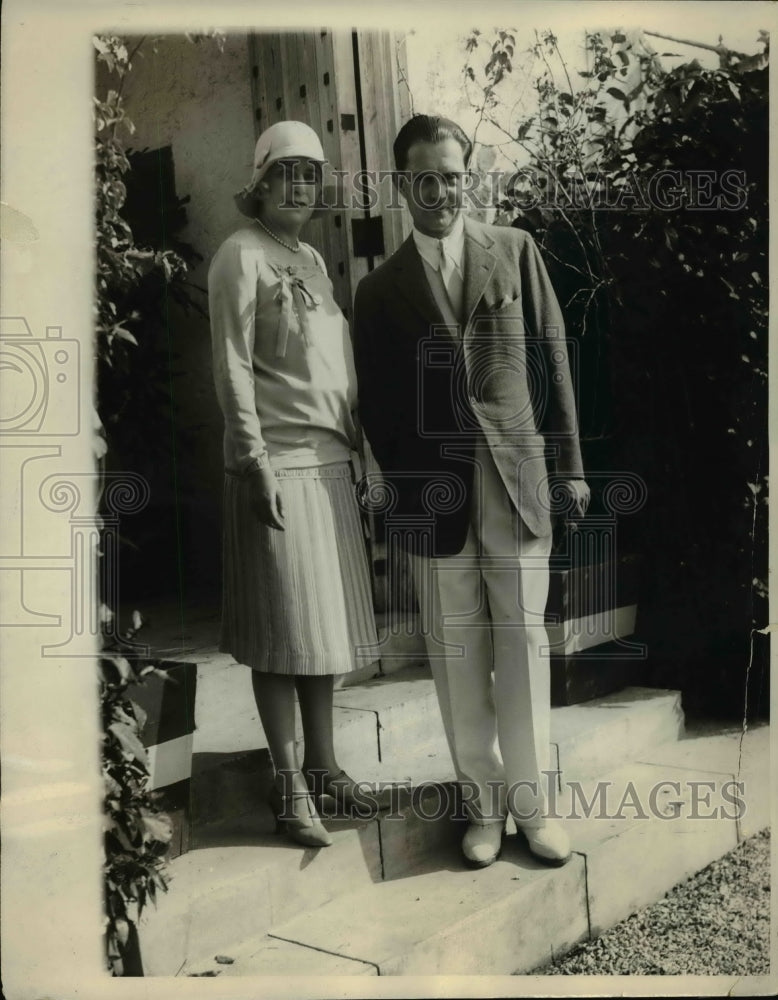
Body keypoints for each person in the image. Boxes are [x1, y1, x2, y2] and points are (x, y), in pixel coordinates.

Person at [353, 114, 590, 869]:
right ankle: (482, 808)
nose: (441, 191)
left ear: (468, 176)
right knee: (458, 650)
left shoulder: (514, 252)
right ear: (402, 186)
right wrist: (405, 492)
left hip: (517, 482)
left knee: (522, 642)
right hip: (436, 498)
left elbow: (553, 358)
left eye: (452, 175)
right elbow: (380, 409)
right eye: (424, 177)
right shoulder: (380, 290)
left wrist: (572, 465)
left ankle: (533, 807)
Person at [208, 120, 379, 848]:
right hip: (273, 464)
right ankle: (288, 787)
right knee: (281, 632)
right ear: (262, 182)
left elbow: (337, 376)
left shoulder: (311, 258)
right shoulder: (237, 257)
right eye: (289, 174)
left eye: (312, 174)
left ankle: (328, 767)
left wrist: (363, 453)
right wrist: (252, 461)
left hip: (330, 463)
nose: (302, 187)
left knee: (321, 632)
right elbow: (233, 366)